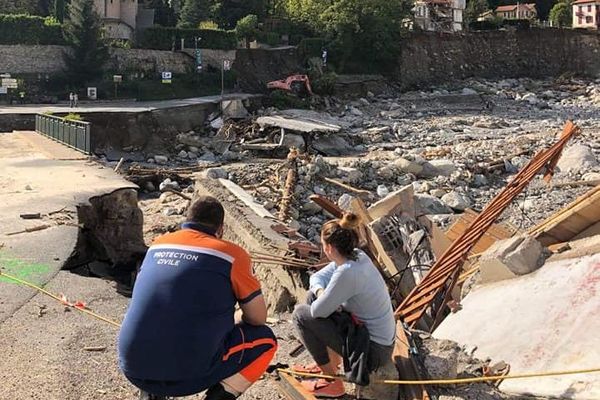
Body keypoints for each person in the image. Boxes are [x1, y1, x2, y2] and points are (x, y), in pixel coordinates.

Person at [118, 196, 277, 400]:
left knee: (159, 322)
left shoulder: (157, 245)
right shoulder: (233, 255)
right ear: (220, 229)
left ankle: (152, 394)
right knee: (266, 340)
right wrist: (234, 317)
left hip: (134, 367)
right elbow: (257, 319)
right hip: (189, 374)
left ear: (187, 220)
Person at [292, 213, 395, 398]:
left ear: (329, 248)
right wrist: (320, 292)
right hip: (374, 338)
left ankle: (332, 381)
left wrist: (321, 295)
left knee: (301, 314)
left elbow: (317, 311)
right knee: (311, 296)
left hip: (373, 351)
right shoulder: (357, 255)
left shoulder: (347, 273)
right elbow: (317, 277)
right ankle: (331, 364)